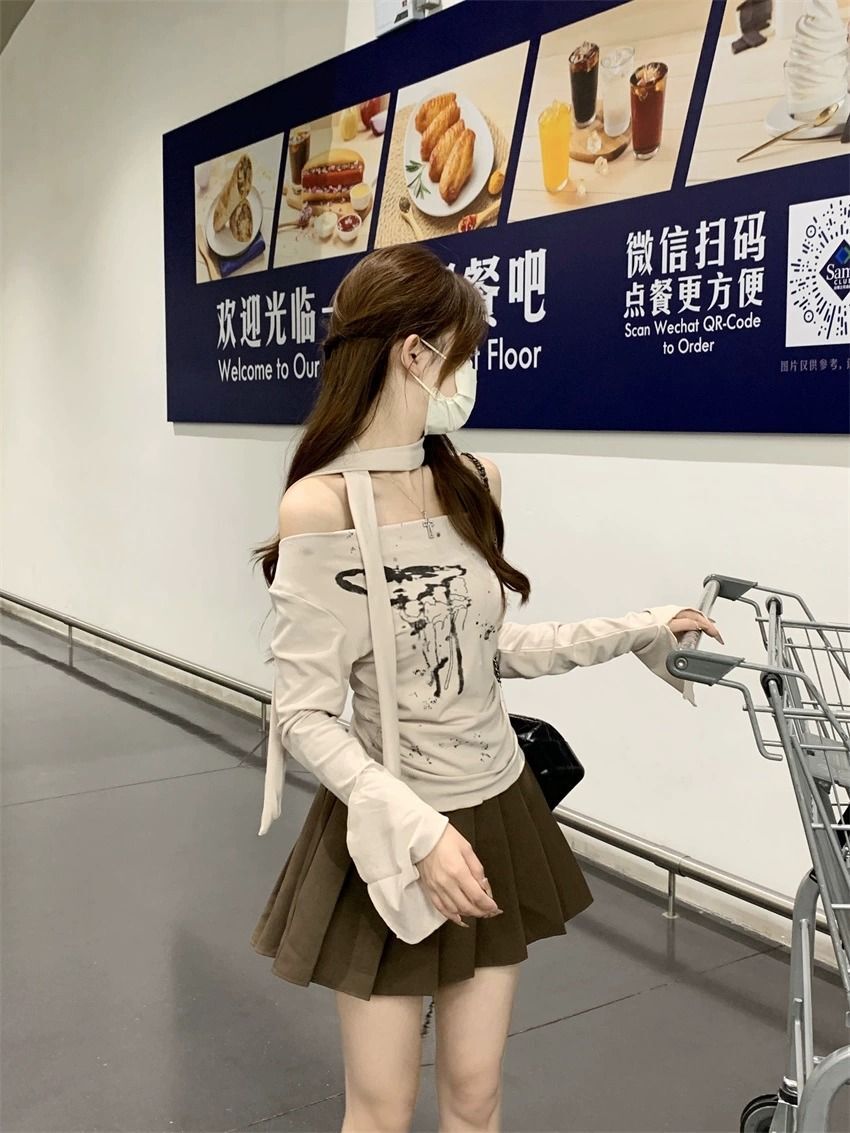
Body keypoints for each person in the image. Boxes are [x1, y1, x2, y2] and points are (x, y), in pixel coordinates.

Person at [249, 243, 722, 1133]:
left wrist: (640, 628)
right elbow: (304, 714)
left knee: (475, 1093)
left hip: (496, 808)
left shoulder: (473, 480)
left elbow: (490, 648)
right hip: (393, 821)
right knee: (381, 1109)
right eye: (463, 354)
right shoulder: (321, 507)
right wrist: (418, 828)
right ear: (414, 353)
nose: (471, 375)